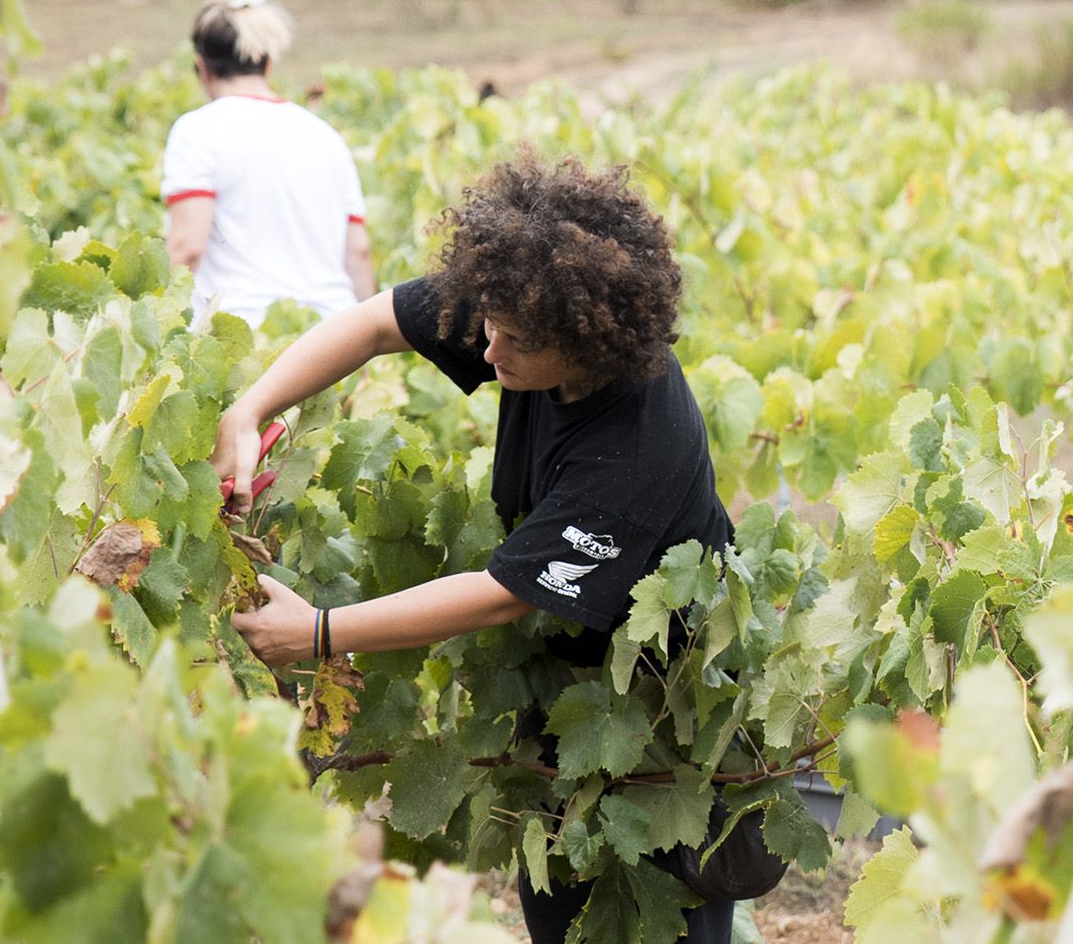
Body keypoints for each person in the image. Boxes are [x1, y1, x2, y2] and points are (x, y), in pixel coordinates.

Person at [213, 152, 738, 943]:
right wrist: (248, 410)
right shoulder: (518, 302)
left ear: (587, 343)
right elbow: (379, 321)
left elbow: (503, 593)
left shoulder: (634, 452)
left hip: (669, 704)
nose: (489, 351)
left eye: (515, 341)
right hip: (566, 672)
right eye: (489, 325)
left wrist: (316, 633)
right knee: (556, 906)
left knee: (666, 910)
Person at [161, 0, 374, 328]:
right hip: (331, 340)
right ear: (268, 63)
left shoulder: (198, 130)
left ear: (201, 68)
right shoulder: (325, 137)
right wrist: (368, 344)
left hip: (241, 340)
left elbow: (187, 247)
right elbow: (358, 252)